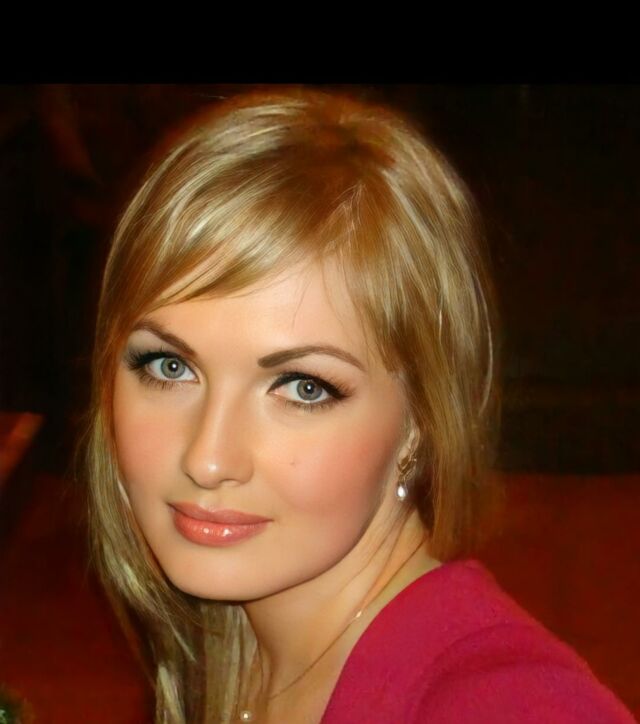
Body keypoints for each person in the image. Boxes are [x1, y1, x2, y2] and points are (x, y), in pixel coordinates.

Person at [83, 87, 635, 723]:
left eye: (302, 387)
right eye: (170, 366)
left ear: (421, 421)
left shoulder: (506, 707)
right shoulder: (225, 650)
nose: (208, 459)